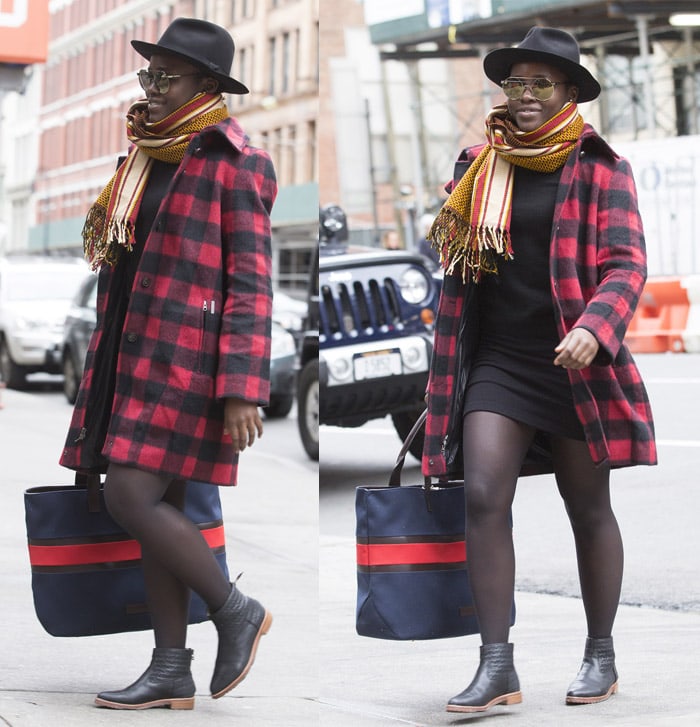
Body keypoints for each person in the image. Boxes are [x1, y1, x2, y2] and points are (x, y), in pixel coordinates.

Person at [424, 26, 656, 714]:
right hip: (500, 359)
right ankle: (497, 663)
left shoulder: (601, 167)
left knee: (587, 507)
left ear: (569, 93)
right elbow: (459, 264)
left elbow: (627, 263)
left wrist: (595, 325)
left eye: (540, 85)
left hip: (577, 362)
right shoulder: (479, 164)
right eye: (514, 84)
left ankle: (600, 652)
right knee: (484, 496)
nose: (523, 97)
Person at [59, 18, 277, 710]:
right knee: (161, 506)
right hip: (132, 354)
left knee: (131, 496)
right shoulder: (145, 156)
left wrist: (243, 387)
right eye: (147, 75)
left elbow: (252, 281)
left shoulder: (236, 162)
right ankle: (170, 666)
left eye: (166, 77)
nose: (151, 89)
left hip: (189, 364)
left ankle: (235, 607)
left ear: (206, 86)